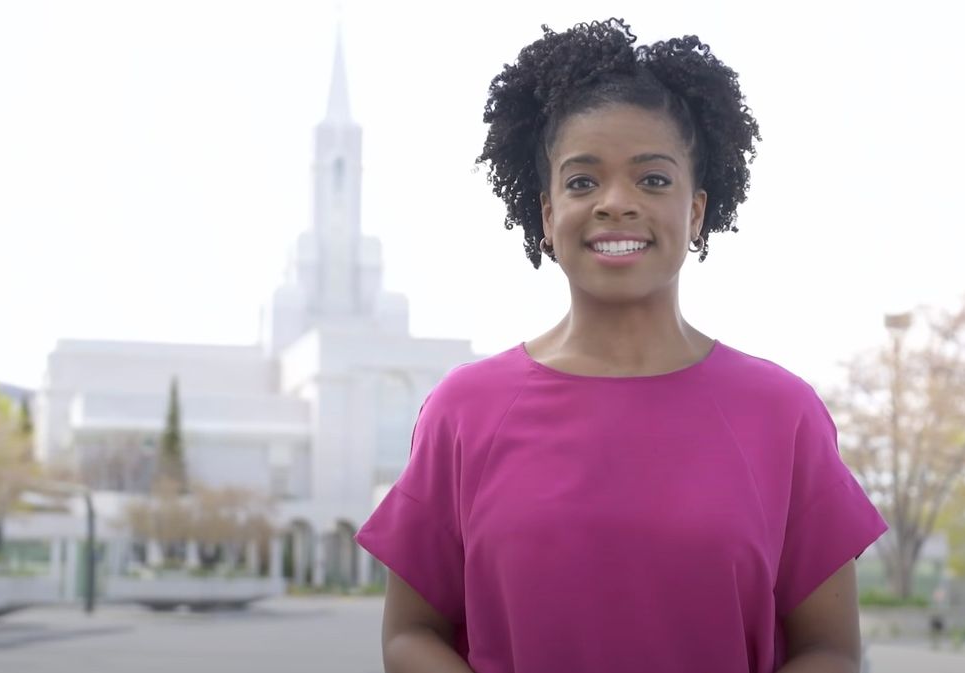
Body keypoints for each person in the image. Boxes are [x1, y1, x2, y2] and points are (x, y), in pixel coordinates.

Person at [355, 18, 887, 673]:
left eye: (652, 180)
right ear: (547, 215)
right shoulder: (463, 411)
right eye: (582, 182)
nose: (615, 203)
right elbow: (410, 634)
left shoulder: (783, 413)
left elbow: (829, 648)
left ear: (695, 212)